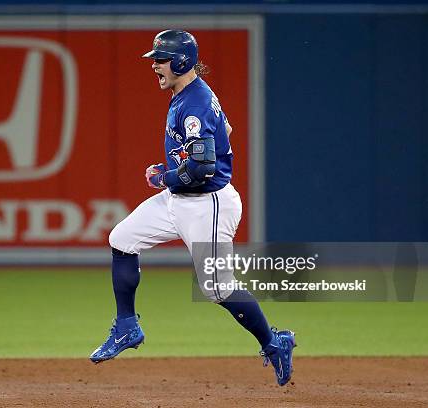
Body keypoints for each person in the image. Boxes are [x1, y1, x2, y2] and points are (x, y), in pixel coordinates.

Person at [89, 29, 296, 386]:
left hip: (207, 204)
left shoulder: (194, 103)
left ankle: (274, 343)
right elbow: (225, 131)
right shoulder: (189, 95)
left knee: (217, 289)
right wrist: (174, 170)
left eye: (160, 59)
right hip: (180, 199)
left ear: (181, 61)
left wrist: (166, 177)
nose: (154, 66)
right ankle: (127, 327)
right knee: (122, 239)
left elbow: (202, 169)